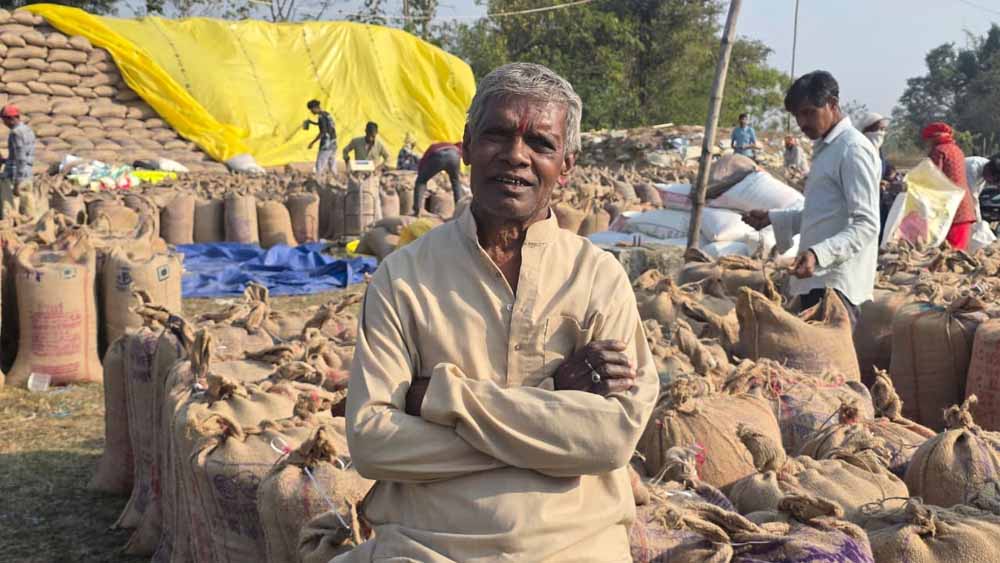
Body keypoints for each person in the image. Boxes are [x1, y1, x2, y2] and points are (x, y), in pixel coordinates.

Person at [340, 62, 657, 562]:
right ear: (467, 146)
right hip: (426, 547)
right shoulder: (403, 277)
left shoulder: (598, 278)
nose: (516, 155)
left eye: (540, 143)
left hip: (575, 546)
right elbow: (372, 443)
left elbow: (609, 441)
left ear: (566, 165)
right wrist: (552, 408)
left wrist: (441, 399)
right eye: (497, 135)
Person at [742, 71, 880, 328]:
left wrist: (818, 255)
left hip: (836, 284)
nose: (802, 123)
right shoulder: (828, 149)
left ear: (832, 104)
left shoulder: (852, 149)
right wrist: (773, 218)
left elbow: (866, 223)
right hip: (817, 280)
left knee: (828, 353)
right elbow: (824, 214)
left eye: (808, 113)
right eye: (798, 116)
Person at [922, 122, 975, 250]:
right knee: (959, 253)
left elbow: (933, 178)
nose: (927, 144)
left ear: (933, 138)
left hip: (950, 210)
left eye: (928, 140)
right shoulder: (957, 150)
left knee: (947, 254)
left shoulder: (938, 151)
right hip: (964, 206)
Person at [0, 104, 41, 220]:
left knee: (7, 203)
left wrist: (18, 181)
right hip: (27, 172)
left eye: (4, 120)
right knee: (28, 202)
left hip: (15, 174)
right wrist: (5, 160)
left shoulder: (16, 133)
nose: (4, 123)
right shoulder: (28, 130)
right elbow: (23, 155)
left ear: (11, 119)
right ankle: (32, 224)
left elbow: (21, 158)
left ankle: (8, 225)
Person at [412, 141, 463, 215]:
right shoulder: (456, 148)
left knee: (421, 181)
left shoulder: (435, 146)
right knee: (456, 183)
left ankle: (418, 210)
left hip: (438, 156)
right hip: (454, 157)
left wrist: (420, 172)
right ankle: (460, 211)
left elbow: (424, 159)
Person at [305, 100, 337, 177]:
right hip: (333, 142)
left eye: (311, 109)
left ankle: (317, 180)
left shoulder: (321, 117)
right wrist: (312, 122)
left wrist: (312, 142)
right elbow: (326, 125)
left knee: (320, 164)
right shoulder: (326, 114)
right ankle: (336, 178)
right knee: (332, 164)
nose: (311, 112)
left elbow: (323, 132)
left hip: (326, 144)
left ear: (315, 108)